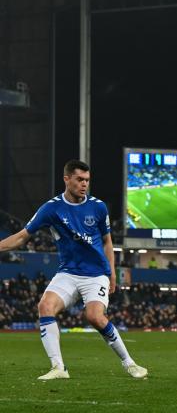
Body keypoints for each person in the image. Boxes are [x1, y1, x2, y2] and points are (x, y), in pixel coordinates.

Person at [0, 160, 148, 380]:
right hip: (67, 273)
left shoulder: (98, 207)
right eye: (79, 179)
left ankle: (130, 363)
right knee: (45, 306)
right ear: (66, 179)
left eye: (87, 180)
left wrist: (112, 273)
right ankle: (58, 368)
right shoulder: (51, 208)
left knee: (95, 317)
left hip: (96, 274)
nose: (84, 184)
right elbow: (22, 237)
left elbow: (108, 242)